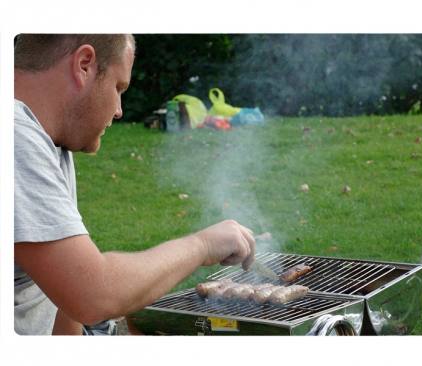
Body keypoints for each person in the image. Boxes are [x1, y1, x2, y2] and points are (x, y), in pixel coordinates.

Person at [14, 34, 256, 335]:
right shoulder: (15, 138)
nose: (119, 110)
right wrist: (202, 245)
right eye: (118, 88)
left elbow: (64, 297)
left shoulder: (51, 139)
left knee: (143, 319)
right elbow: (92, 295)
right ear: (84, 65)